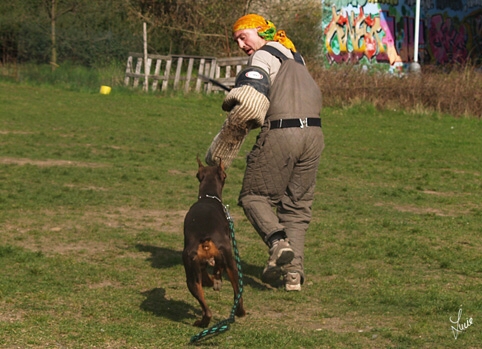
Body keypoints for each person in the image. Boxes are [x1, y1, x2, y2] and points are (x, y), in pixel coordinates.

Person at [206, 14, 324, 291]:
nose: (240, 44)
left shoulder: (261, 56)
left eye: (243, 36)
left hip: (284, 134)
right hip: (315, 135)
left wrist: (224, 142)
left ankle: (277, 242)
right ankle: (293, 276)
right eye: (236, 40)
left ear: (261, 31)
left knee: (253, 197)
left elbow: (250, 102)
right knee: (296, 207)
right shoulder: (296, 57)